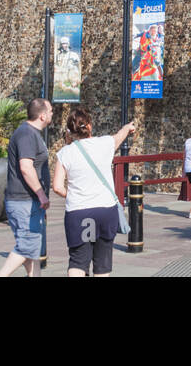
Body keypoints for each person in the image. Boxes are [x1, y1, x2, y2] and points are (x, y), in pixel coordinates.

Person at [52, 108, 135, 277]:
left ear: (70, 130)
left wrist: (74, 195)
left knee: (78, 262)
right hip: (105, 210)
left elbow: (57, 187)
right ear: (89, 126)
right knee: (102, 264)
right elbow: (120, 135)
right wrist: (128, 127)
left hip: (79, 213)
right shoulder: (105, 143)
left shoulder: (65, 153)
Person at [0, 98, 53, 277]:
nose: (52, 113)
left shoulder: (31, 133)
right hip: (25, 202)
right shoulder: (27, 134)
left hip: (27, 202)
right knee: (27, 246)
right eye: (50, 111)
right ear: (42, 116)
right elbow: (26, 168)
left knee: (32, 252)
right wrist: (41, 194)